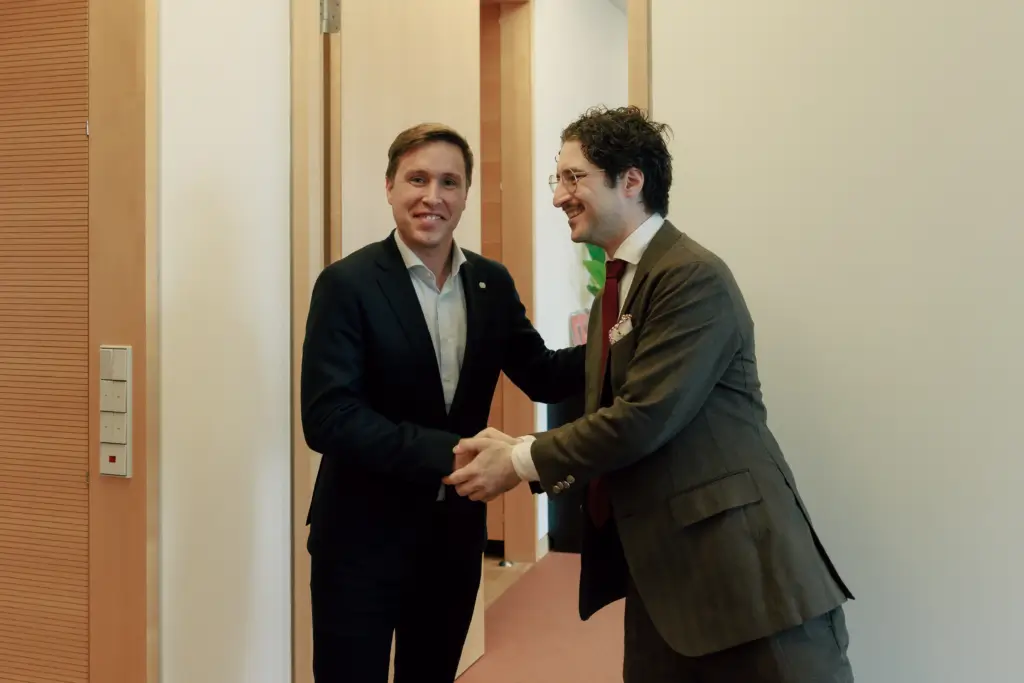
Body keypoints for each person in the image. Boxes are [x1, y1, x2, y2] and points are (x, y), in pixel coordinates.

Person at [446, 106, 855, 682]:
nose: (559, 196)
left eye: (573, 177)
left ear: (631, 180)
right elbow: (576, 378)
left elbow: (642, 416)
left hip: (745, 582)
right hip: (664, 582)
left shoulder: (690, 276)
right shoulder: (620, 284)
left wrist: (519, 460)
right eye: (556, 180)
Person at [300, 122, 585, 682]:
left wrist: (621, 336)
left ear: (466, 196)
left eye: (450, 182)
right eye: (417, 178)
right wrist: (450, 453)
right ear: (389, 187)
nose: (433, 196)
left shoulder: (490, 283)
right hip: (359, 538)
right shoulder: (347, 284)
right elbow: (329, 419)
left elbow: (545, 375)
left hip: (452, 540)